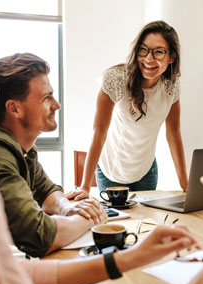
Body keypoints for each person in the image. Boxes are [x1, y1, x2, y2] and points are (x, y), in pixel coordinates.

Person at [0, 1, 203, 284]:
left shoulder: (1, 152)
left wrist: (130, 257)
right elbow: (26, 257)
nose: (57, 105)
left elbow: (5, 271)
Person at [0, 53, 106, 258]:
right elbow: (38, 236)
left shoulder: (22, 148)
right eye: (46, 98)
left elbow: (46, 191)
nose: (57, 105)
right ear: (14, 108)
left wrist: (67, 209)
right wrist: (91, 219)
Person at [67, 21, 188, 202]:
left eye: (159, 52)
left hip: (146, 170)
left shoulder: (171, 85)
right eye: (144, 49)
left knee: (146, 223)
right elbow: (99, 132)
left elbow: (173, 133)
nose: (149, 58)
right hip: (112, 171)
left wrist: (185, 184)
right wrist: (85, 186)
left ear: (171, 57)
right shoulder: (116, 79)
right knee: (118, 223)